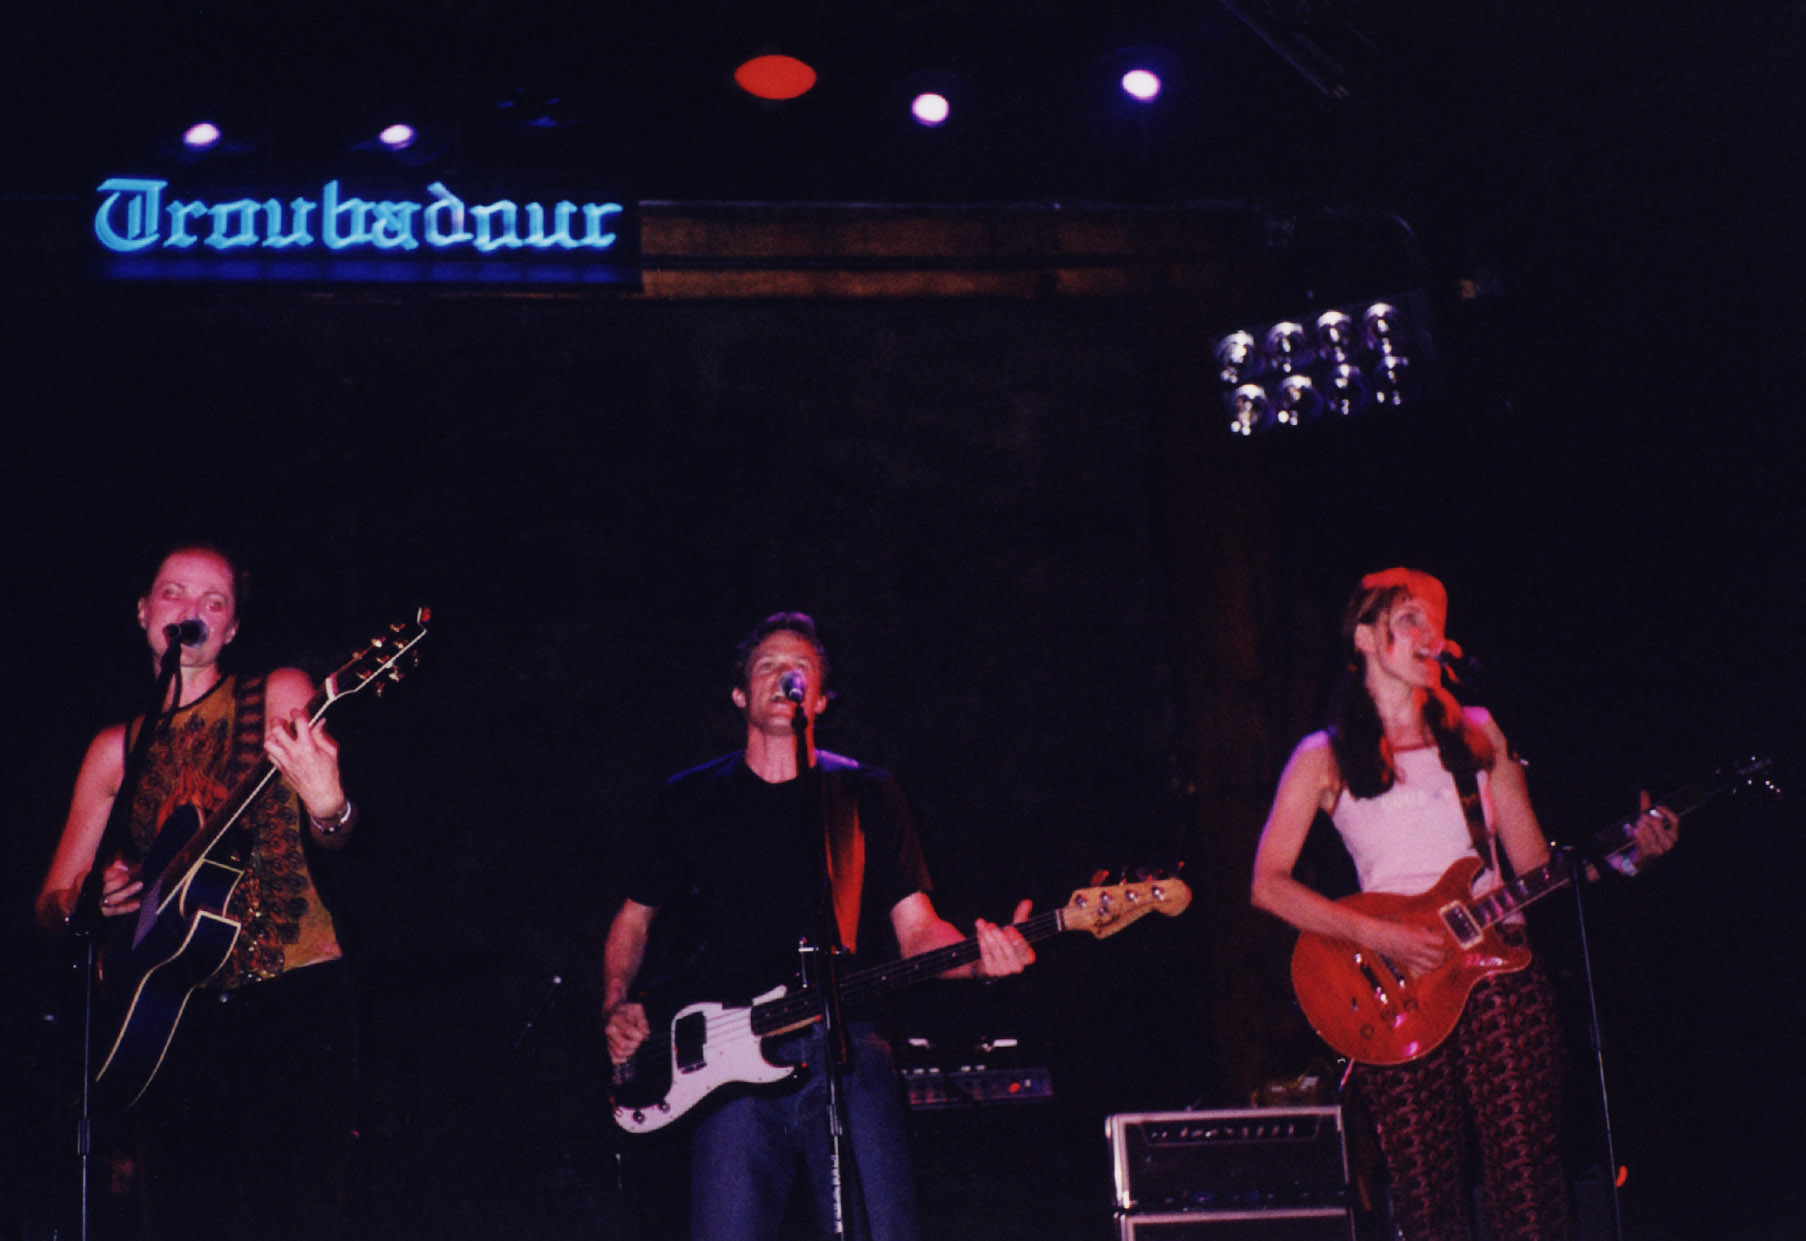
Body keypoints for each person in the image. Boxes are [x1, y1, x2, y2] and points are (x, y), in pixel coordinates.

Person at [1249, 568, 1678, 1241]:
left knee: (1528, 1176)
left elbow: (1540, 870)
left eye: (1436, 619)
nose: (1431, 633)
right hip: (1397, 987)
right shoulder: (1322, 755)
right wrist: (1374, 933)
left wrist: (1632, 854)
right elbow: (1268, 882)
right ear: (1366, 636)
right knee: (1425, 1191)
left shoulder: (1475, 731)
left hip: (1498, 970)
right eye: (1411, 618)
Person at [602, 612, 1035, 1241]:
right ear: (740, 695)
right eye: (768, 666)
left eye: (799, 667)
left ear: (822, 697)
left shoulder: (865, 793)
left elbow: (918, 933)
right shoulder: (691, 798)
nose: (785, 676)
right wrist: (617, 1002)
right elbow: (633, 920)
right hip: (724, 1057)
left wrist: (979, 959)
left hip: (848, 1045)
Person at [35, 544, 361, 1241]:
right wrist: (86, 904)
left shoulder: (275, 694)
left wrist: (329, 805)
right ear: (144, 611)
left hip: (292, 995)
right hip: (172, 1021)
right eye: (175, 593)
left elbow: (338, 843)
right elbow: (52, 896)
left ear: (233, 627)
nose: (192, 611)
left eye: (213, 601)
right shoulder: (113, 748)